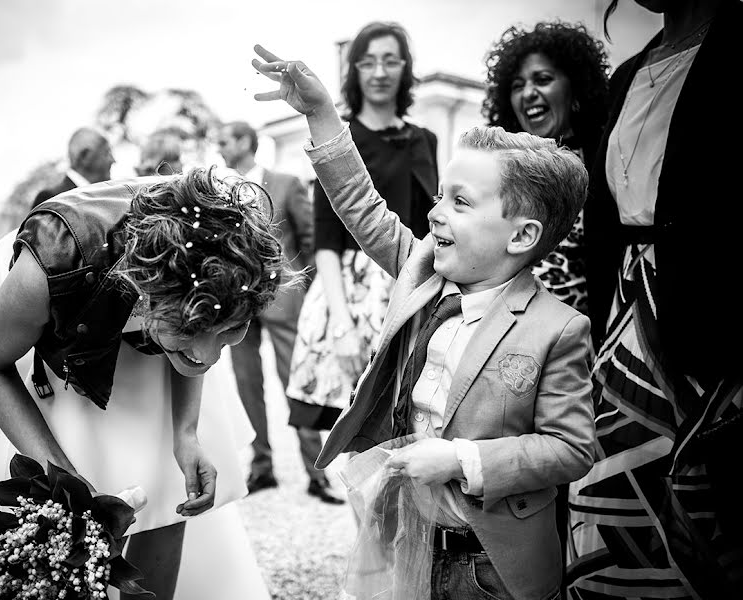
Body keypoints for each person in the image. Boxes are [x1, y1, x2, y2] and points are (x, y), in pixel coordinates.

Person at [252, 45, 595, 600]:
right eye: (439, 195)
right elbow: (360, 205)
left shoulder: (557, 329)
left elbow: (572, 448)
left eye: (459, 202)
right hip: (405, 539)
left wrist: (461, 459)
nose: (434, 213)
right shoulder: (421, 272)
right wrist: (320, 115)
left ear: (522, 236)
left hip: (490, 567)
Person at [0, 168, 288, 600]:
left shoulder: (213, 284)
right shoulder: (52, 262)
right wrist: (68, 488)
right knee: (44, 481)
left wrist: (185, 433)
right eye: (192, 330)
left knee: (163, 472)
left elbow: (195, 351)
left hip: (152, 303)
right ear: (146, 289)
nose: (209, 355)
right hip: (42, 319)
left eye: (232, 330)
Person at [567, 0, 743, 597]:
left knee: (715, 514)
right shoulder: (629, 74)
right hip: (626, 322)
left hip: (713, 321)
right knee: (614, 504)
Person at [285, 21, 439, 438]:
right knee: (358, 433)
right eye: (368, 62)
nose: (379, 71)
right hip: (351, 295)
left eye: (390, 60)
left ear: (404, 69)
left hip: (414, 277)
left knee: (413, 420)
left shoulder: (425, 139)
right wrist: (341, 325)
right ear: (354, 72)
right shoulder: (339, 136)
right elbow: (326, 242)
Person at [217, 120, 342, 504]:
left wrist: (302, 290)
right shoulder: (218, 191)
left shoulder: (286, 184)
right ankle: (262, 468)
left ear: (244, 143)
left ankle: (316, 473)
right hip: (237, 305)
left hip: (284, 302)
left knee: (296, 384)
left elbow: (310, 239)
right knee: (247, 385)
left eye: (224, 140)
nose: (219, 147)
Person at [483, 20, 610, 316]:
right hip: (504, 332)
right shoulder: (498, 166)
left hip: (585, 340)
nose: (528, 93)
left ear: (576, 91)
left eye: (542, 79)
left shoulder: (604, 162)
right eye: (517, 85)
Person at [31, 126, 115, 209]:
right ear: (85, 156)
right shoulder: (51, 200)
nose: (113, 160)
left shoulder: (107, 199)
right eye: (107, 153)